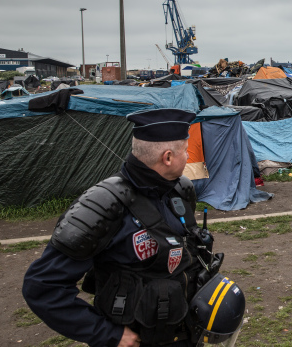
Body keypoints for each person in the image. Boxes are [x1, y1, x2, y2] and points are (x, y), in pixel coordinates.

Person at [22, 108, 233, 347]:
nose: (189, 156)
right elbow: (42, 287)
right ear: (167, 158)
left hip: (185, 334)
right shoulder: (102, 207)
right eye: (186, 150)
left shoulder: (180, 190)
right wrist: (106, 334)